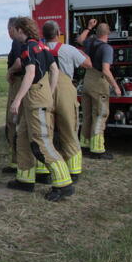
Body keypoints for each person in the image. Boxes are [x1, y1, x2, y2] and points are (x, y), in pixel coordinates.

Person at [8, 17, 75, 202]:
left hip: (34, 98)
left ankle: (63, 184)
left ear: (20, 29)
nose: (9, 33)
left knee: (41, 143)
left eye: (11, 29)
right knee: (22, 137)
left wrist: (17, 100)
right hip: (41, 95)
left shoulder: (28, 48)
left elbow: (30, 73)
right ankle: (25, 179)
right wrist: (50, 93)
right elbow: (54, 70)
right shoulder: (42, 46)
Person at [43, 21, 92, 181]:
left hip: (44, 92)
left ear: (44, 34)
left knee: (45, 132)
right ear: (58, 33)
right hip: (65, 91)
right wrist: (81, 52)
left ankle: (44, 170)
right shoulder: (69, 49)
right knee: (69, 130)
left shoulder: (38, 49)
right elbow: (88, 64)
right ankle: (74, 170)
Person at [76, 19, 122, 160]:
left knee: (88, 115)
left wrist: (88, 27)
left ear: (96, 33)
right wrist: (115, 86)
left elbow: (79, 40)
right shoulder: (107, 48)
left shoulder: (90, 42)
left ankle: (84, 145)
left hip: (87, 81)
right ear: (108, 33)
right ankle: (97, 149)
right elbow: (105, 70)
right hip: (99, 83)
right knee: (100, 115)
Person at [3, 16, 24, 174]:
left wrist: (9, 72)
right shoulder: (30, 42)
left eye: (8, 29)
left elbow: (18, 62)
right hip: (26, 85)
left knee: (12, 122)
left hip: (17, 84)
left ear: (12, 29)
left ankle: (16, 162)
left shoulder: (16, 42)